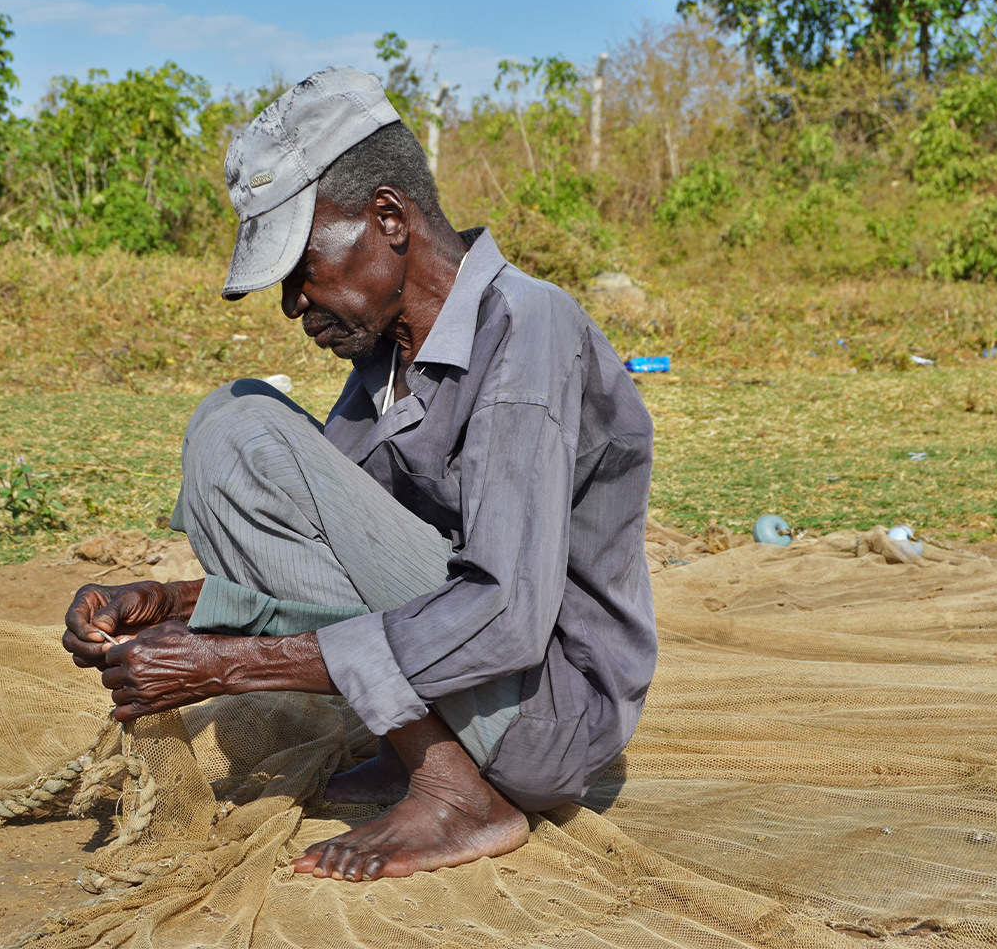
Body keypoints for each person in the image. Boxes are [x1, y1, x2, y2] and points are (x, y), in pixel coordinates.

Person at [62, 66, 656, 883]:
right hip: (487, 690)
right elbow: (322, 562)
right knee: (230, 427)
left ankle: (458, 794)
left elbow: (508, 614)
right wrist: (171, 607)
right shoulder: (388, 360)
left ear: (388, 218)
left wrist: (224, 665)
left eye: (302, 268)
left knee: (241, 431)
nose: (292, 304)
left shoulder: (527, 330)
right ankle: (426, 757)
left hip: (547, 716)